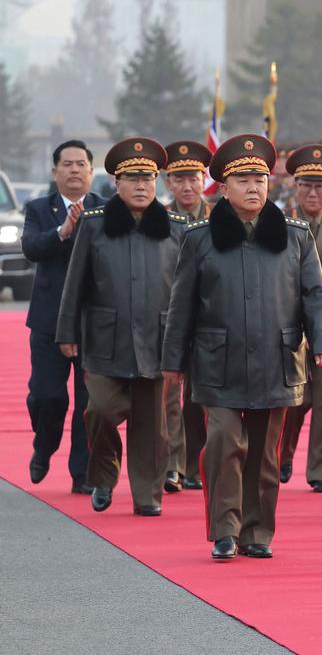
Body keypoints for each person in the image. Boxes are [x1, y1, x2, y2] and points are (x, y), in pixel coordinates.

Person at [161, 134, 322, 560]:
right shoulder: (201, 238)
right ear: (222, 186)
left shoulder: (293, 236)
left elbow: (315, 294)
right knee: (222, 441)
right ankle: (225, 529)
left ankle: (257, 532)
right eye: (243, 180)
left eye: (259, 178)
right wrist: (173, 360)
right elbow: (181, 302)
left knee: (264, 454)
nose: (254, 187)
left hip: (276, 358)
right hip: (216, 361)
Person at [55, 138, 186, 515]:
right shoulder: (94, 226)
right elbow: (75, 282)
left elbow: (188, 290)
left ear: (157, 181)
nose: (142, 185)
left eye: (148, 178)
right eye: (133, 178)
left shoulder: (176, 228)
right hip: (103, 341)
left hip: (157, 341)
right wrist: (67, 332)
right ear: (117, 183)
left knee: (152, 426)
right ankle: (104, 475)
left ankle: (148, 495)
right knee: (101, 411)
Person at [21, 139, 104, 493]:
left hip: (93, 322)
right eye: (66, 164)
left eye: (80, 164)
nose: (74, 169)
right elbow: (32, 248)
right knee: (47, 396)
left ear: (90, 170)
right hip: (48, 321)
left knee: (90, 403)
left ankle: (82, 474)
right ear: (55, 173)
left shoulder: (106, 209)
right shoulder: (39, 209)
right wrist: (62, 231)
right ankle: (44, 446)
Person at [278, 144, 322, 493]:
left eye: (321, 186)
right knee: (294, 399)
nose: (313, 192)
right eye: (306, 184)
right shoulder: (278, 224)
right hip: (290, 326)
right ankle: (282, 454)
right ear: (295, 186)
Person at [161, 140, 214, 492]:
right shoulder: (158, 220)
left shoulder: (221, 216)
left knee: (202, 399)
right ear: (169, 183)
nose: (187, 186)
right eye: (179, 179)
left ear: (203, 179)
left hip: (210, 321)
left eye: (193, 178)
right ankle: (173, 467)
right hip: (169, 319)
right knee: (168, 399)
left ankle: (198, 464)